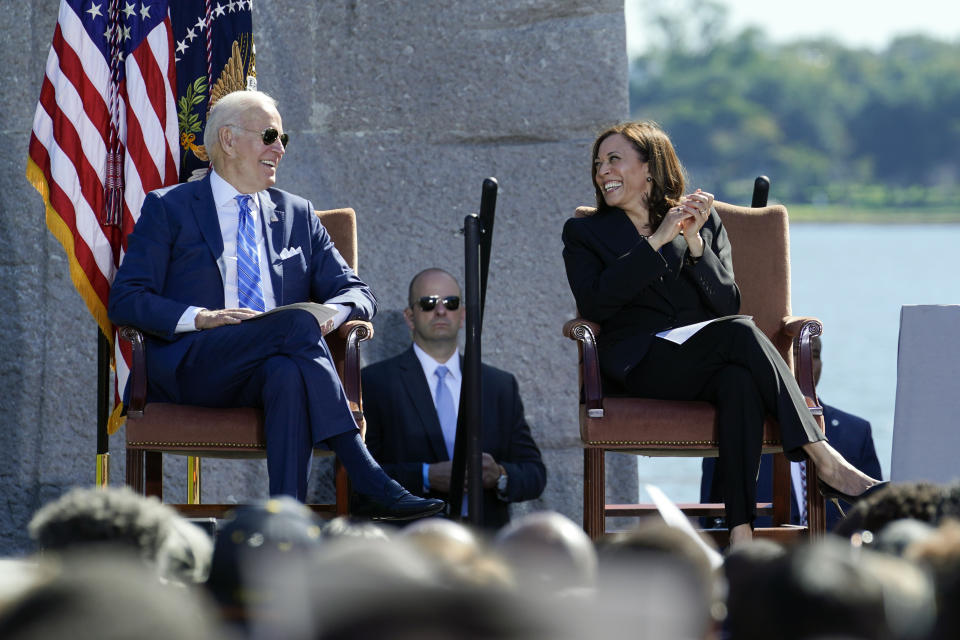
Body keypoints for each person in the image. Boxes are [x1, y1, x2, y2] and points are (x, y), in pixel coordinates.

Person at [108, 89, 443, 521]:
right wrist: (203, 318)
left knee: (288, 365)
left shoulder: (298, 214)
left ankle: (287, 524)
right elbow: (128, 300)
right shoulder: (169, 208)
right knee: (294, 329)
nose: (279, 148)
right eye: (269, 135)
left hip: (274, 360)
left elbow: (359, 293)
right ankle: (365, 472)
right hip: (195, 366)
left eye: (284, 138)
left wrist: (330, 318)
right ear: (228, 140)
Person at [561, 121, 885, 545]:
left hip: (702, 359)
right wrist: (656, 242)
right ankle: (824, 459)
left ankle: (740, 532)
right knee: (740, 333)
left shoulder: (701, 218)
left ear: (650, 168)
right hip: (639, 362)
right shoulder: (585, 232)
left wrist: (695, 245)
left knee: (739, 380)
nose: (603, 170)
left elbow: (726, 303)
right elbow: (597, 304)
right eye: (599, 163)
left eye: (615, 159)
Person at [362, 268, 547, 529]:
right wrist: (425, 476)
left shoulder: (499, 385)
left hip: (484, 545)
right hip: (410, 542)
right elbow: (356, 477)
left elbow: (534, 474)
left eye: (451, 303)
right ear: (410, 317)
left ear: (463, 315)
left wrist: (499, 476)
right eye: (428, 303)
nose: (440, 311)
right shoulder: (375, 382)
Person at [700, 335, 883, 530]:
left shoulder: (856, 431)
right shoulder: (735, 429)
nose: (805, 363)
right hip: (763, 554)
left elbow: (877, 512)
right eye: (795, 354)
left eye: (814, 354)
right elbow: (710, 517)